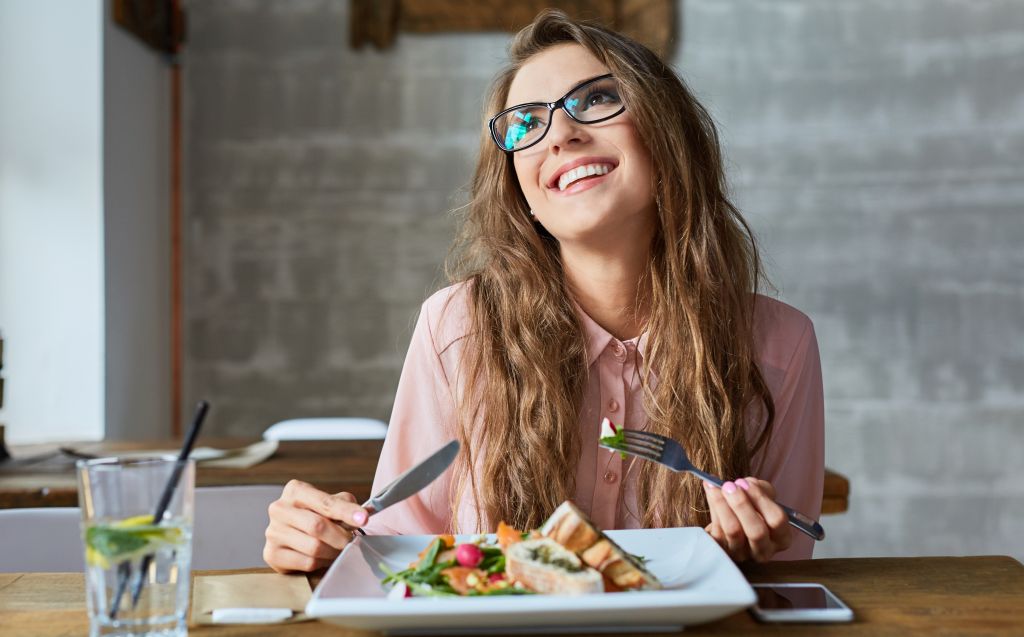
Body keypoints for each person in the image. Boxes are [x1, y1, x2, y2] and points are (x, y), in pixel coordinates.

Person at [262, 10, 824, 573]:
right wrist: (323, 542)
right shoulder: (457, 326)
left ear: (667, 135)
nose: (561, 134)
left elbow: (792, 561)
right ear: (521, 189)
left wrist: (750, 551)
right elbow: (401, 552)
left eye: (598, 99)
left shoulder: (780, 342)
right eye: (525, 124)